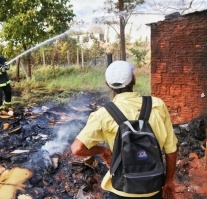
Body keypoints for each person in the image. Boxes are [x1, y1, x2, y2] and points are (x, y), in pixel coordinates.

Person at [71, 60, 178, 199]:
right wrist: (168, 181)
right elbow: (171, 150)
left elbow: (77, 148)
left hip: (122, 189)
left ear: (107, 84)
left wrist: (102, 150)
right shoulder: (157, 105)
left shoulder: (103, 114)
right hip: (153, 187)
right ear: (134, 79)